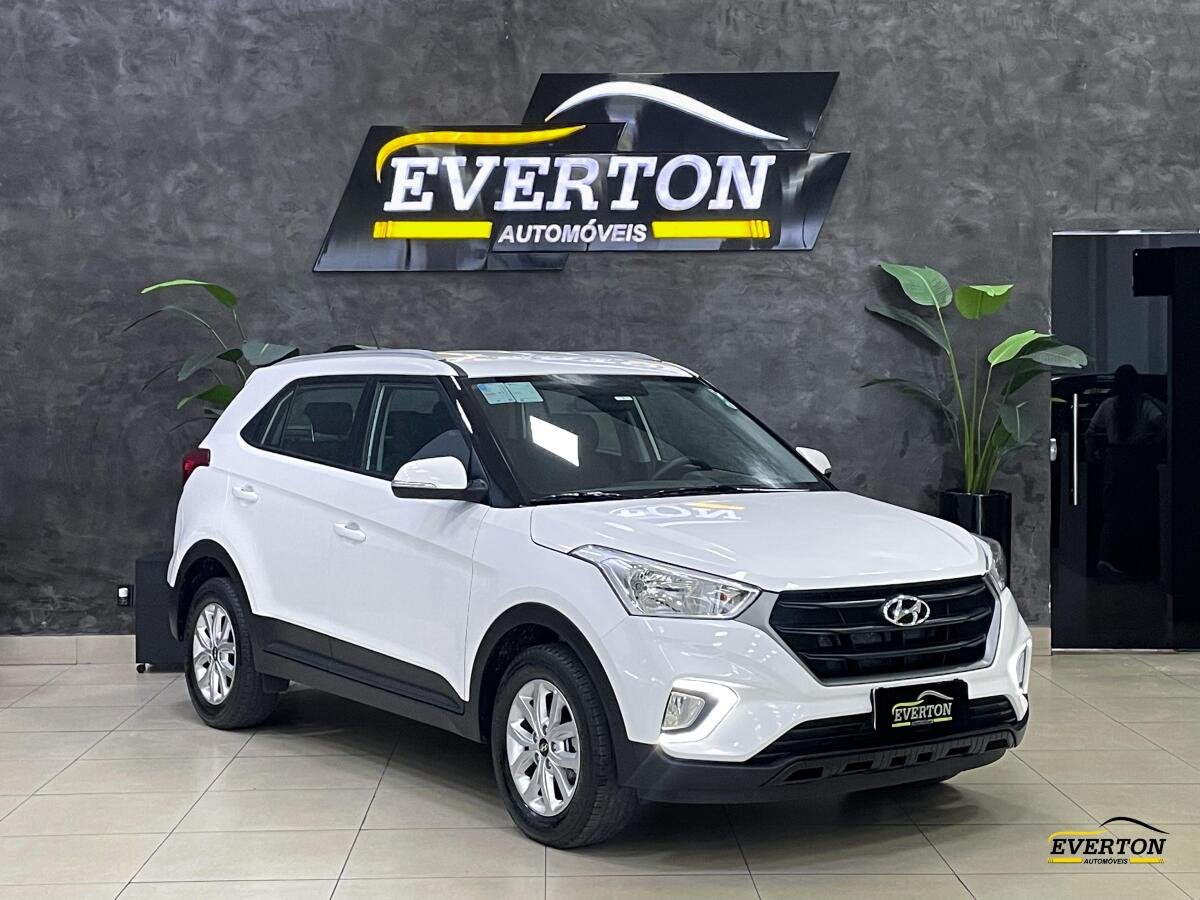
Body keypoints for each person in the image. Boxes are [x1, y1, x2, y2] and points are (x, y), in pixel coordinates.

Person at [1085, 364, 1166, 580]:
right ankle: (1137, 562)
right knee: (1138, 510)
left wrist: (1092, 455)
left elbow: (1090, 432)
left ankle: (1106, 558)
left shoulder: (1108, 405)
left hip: (1114, 458)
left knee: (1112, 511)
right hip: (1138, 459)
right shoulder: (1143, 405)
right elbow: (1164, 422)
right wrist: (1154, 442)